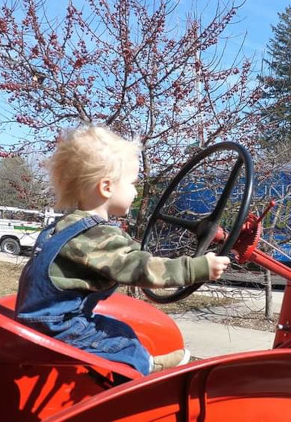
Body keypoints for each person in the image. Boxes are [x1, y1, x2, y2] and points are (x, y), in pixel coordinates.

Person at [16, 125, 230, 375]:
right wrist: (197, 267)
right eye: (132, 183)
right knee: (124, 341)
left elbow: (128, 256)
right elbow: (141, 268)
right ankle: (143, 371)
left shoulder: (65, 227)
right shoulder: (96, 235)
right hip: (58, 326)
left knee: (118, 330)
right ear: (107, 187)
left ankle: (141, 362)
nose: (136, 191)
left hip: (41, 319)